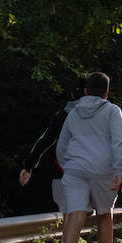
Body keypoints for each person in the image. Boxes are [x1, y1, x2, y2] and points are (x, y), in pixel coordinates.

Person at [53, 71, 122, 243]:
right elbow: (118, 142)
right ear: (106, 92)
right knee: (104, 215)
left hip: (75, 169)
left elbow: (62, 145)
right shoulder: (113, 111)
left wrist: (70, 166)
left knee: (74, 214)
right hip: (103, 170)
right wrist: (119, 171)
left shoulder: (73, 113)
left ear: (85, 91)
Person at [17, 77, 86, 226]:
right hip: (91, 175)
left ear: (73, 94)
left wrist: (28, 165)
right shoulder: (106, 115)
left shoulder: (63, 115)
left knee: (68, 217)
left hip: (62, 172)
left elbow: (45, 139)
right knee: (77, 217)